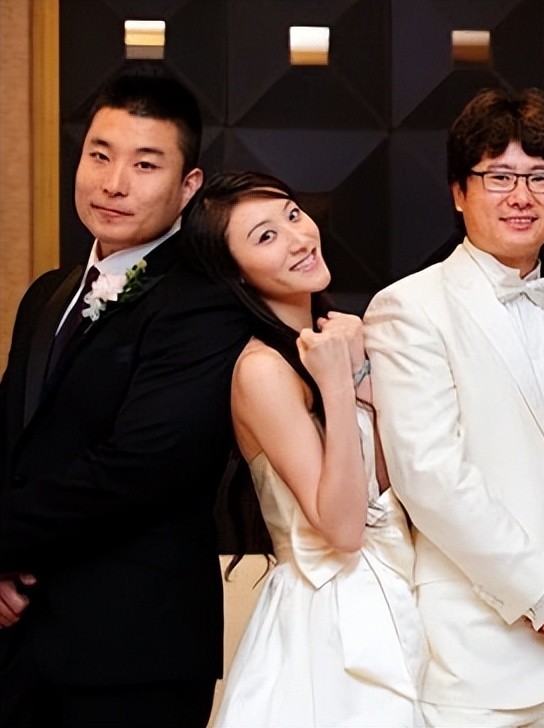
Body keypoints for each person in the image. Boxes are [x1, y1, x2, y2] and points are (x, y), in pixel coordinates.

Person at [364, 87, 544, 726]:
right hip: (477, 660)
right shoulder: (410, 308)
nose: (521, 196)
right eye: (498, 176)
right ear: (458, 191)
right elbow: (430, 475)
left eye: (540, 177)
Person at [0, 68, 250, 726]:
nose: (113, 184)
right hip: (20, 644)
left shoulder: (205, 302)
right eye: (99, 155)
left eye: (145, 164)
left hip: (133, 655)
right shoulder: (47, 294)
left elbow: (140, 467)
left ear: (188, 185)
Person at [183, 171, 426, 726]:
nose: (297, 238)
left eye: (293, 215)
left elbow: (385, 490)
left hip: (394, 592)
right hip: (324, 618)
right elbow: (342, 529)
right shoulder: (261, 371)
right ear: (234, 272)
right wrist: (338, 385)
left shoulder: (329, 342)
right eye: (265, 236)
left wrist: (360, 376)